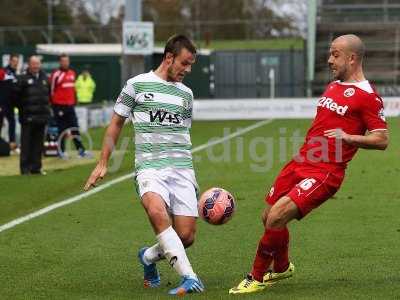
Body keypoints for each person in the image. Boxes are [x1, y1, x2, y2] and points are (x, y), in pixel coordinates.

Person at [229, 34, 389, 294]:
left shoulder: (369, 97)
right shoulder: (333, 86)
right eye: (329, 53)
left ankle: (255, 277)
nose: (329, 60)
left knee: (278, 216)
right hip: (301, 161)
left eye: (335, 54)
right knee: (268, 216)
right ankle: (281, 268)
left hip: (326, 172)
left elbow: (382, 139)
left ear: (352, 58)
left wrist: (348, 137)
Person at [84, 34, 204, 296]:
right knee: (155, 210)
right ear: (169, 57)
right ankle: (189, 277)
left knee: (186, 237)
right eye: (185, 63)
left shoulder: (187, 95)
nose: (188, 70)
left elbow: (183, 133)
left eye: (191, 64)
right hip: (149, 167)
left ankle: (148, 257)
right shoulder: (136, 85)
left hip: (182, 168)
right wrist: (103, 162)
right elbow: (116, 123)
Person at [14, 56, 51, 175]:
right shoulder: (22, 78)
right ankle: (24, 169)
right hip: (28, 117)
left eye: (38, 64)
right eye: (33, 64)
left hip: (42, 116)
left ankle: (36, 167)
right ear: (29, 65)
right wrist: (24, 110)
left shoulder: (45, 77)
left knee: (38, 144)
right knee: (26, 144)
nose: (36, 66)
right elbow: (15, 98)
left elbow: (47, 95)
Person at [50, 53, 90, 158]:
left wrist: (73, 101)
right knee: (62, 129)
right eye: (63, 61)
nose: (65, 63)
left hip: (70, 106)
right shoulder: (56, 74)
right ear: (60, 62)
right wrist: (54, 106)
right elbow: (51, 91)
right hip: (59, 106)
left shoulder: (72, 73)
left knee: (75, 128)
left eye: (67, 61)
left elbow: (72, 89)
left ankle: (81, 150)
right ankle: (61, 152)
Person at [0, 54, 19, 150]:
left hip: (11, 104)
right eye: (14, 61)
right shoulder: (3, 72)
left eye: (17, 62)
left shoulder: (16, 74)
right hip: (2, 103)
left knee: (12, 123)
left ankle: (12, 145)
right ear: (10, 61)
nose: (16, 63)